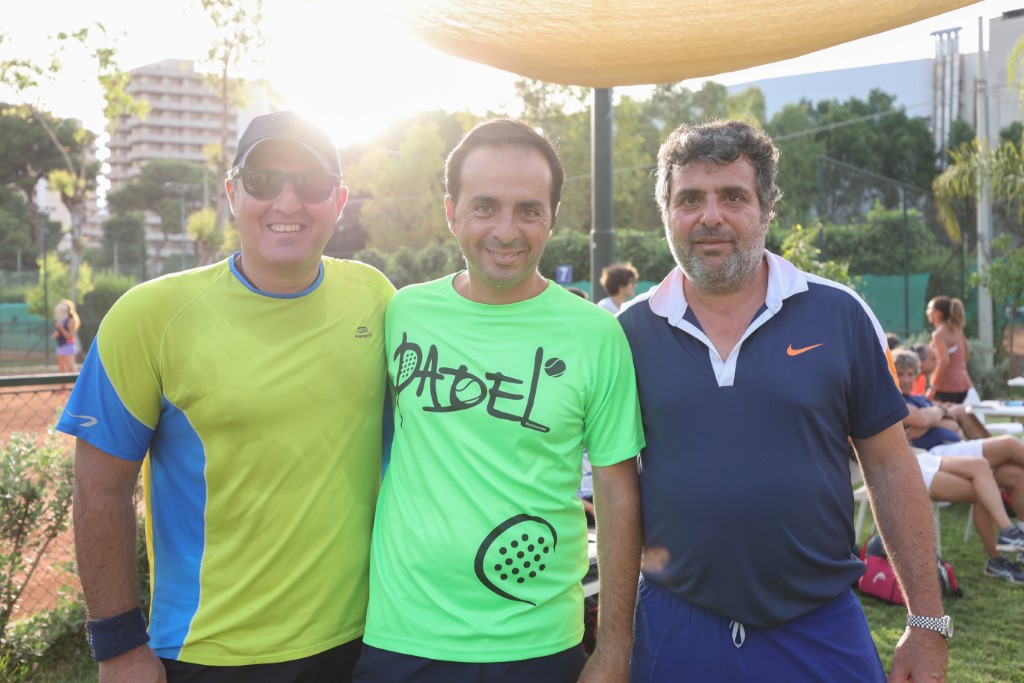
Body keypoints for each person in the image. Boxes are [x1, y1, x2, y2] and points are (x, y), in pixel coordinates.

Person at [57, 111, 395, 683]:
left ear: (339, 201)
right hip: (210, 653)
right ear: (232, 192)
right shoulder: (149, 316)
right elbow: (99, 488)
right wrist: (118, 648)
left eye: (311, 183)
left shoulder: (376, 298)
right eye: (263, 180)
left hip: (363, 641)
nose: (287, 201)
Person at [617, 119, 949, 681]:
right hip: (675, 628)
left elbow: (891, 468)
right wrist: (612, 643)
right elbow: (615, 487)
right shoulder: (627, 332)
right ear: (666, 212)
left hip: (818, 625)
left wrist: (927, 622)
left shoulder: (840, 313)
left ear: (767, 208)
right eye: (690, 198)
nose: (710, 216)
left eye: (733, 196)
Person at [354, 119, 644, 683]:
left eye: (528, 210)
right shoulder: (404, 313)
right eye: (484, 207)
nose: (506, 231)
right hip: (401, 635)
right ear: (451, 212)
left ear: (552, 217)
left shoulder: (596, 335)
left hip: (538, 641)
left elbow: (616, 495)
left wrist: (613, 649)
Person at [892, 349, 1024, 581]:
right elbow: (923, 420)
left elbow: (952, 421)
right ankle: (1006, 538)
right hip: (930, 456)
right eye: (900, 374)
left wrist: (934, 416)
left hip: (948, 451)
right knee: (1009, 446)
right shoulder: (894, 400)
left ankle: (1009, 545)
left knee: (1014, 474)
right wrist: (935, 416)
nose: (906, 379)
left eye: (910, 374)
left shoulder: (919, 399)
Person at [926, 296, 975, 403]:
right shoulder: (957, 331)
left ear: (938, 313)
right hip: (963, 385)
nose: (927, 312)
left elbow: (944, 362)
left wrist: (933, 388)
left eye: (929, 308)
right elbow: (966, 352)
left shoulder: (939, 335)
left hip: (946, 387)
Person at [53, 298, 80, 373]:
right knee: (61, 367)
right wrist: (57, 334)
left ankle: (76, 380)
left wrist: (61, 328)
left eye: (63, 308)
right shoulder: (60, 320)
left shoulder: (71, 320)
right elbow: (55, 336)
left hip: (68, 346)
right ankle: (63, 381)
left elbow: (69, 336)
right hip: (60, 345)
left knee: (71, 366)